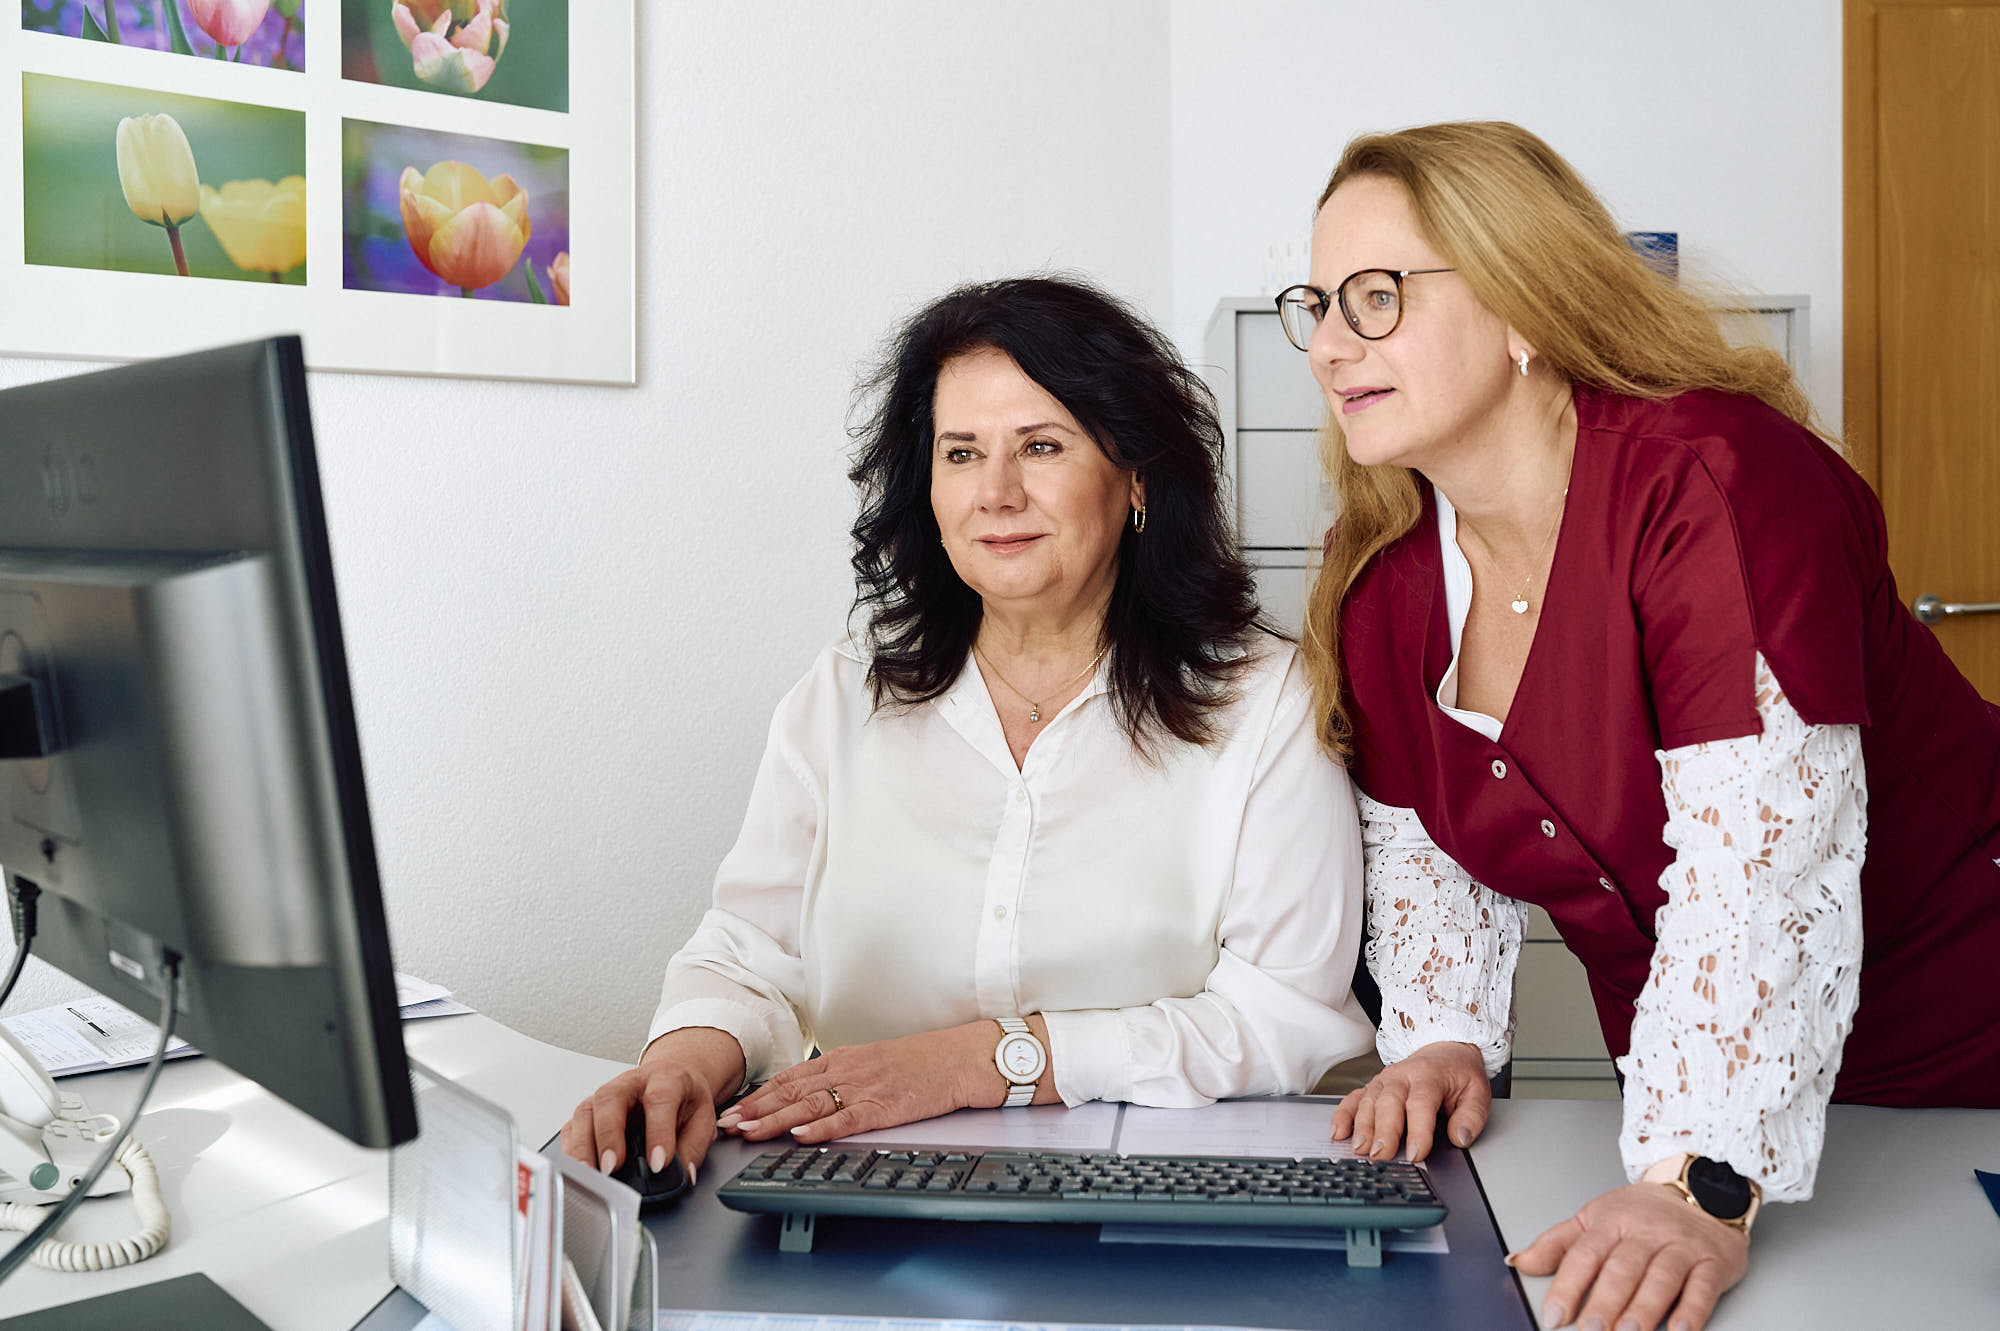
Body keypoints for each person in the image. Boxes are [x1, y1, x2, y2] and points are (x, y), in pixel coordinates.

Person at [1278, 121, 2000, 1331]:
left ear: (1522, 301)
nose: (1328, 345)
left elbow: (1759, 875)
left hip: (1963, 1039)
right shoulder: (1383, 581)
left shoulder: (1716, 485)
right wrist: (1444, 1034)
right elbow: (1423, 846)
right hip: (1718, 1106)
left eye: (1376, 296)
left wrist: (1696, 1180)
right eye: (1317, 302)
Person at [562, 275, 1375, 1184]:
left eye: (1040, 445)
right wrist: (678, 1063)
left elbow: (1284, 1013)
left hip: (1156, 1196)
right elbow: (749, 953)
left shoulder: (1266, 704)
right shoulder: (846, 691)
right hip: (856, 1189)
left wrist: (987, 1062)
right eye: (961, 453)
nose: (995, 492)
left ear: (1137, 476)